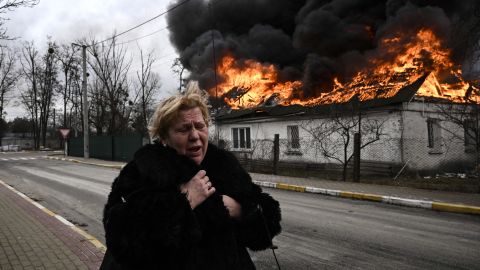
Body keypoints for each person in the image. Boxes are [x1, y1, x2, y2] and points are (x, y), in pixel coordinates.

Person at [101, 83, 282, 270]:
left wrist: (241, 210)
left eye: (199, 126)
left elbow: (267, 224)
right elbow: (121, 238)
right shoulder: (143, 171)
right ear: (164, 138)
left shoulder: (224, 167)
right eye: (184, 129)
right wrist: (184, 201)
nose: (195, 135)